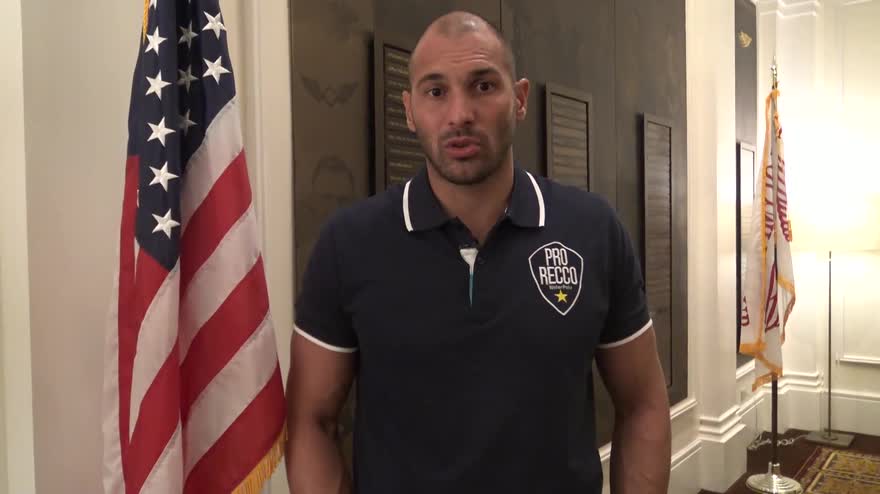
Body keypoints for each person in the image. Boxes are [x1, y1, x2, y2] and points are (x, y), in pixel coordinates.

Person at [285, 10, 671, 494]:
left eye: (483, 86)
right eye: (435, 91)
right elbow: (309, 421)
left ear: (520, 99)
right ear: (409, 110)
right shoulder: (349, 243)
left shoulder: (593, 230)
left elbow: (643, 403)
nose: (459, 114)